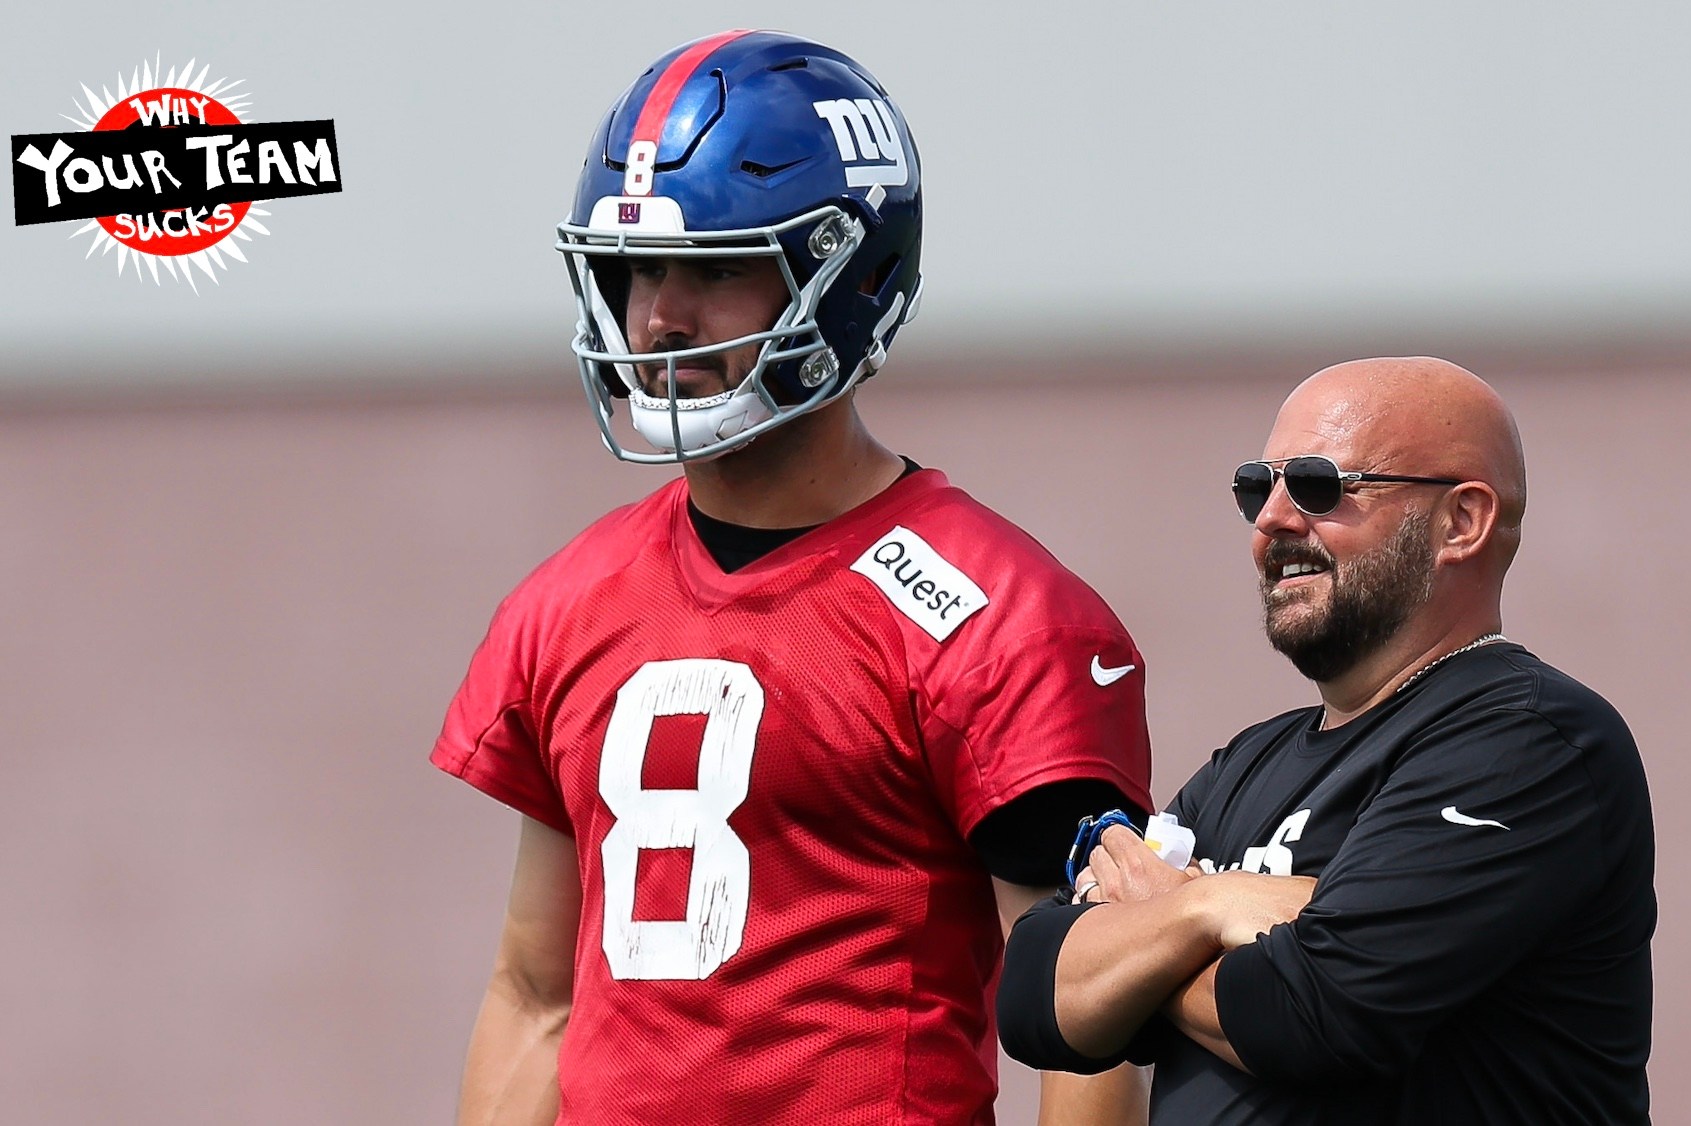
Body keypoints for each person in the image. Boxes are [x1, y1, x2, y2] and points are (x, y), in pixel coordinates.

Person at [431, 30, 1155, 1125]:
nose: (659, 317)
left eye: (717, 268)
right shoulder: (565, 600)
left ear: (849, 273)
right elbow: (535, 997)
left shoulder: (990, 611)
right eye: (638, 270)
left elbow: (1085, 1021)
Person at [998, 357, 1655, 1124]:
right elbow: (1036, 994)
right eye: (1256, 488)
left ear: (1460, 521)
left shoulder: (1528, 739)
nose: (1272, 519)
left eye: (1317, 484)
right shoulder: (1243, 766)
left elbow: (1318, 1014)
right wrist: (1208, 908)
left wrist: (1150, 942)